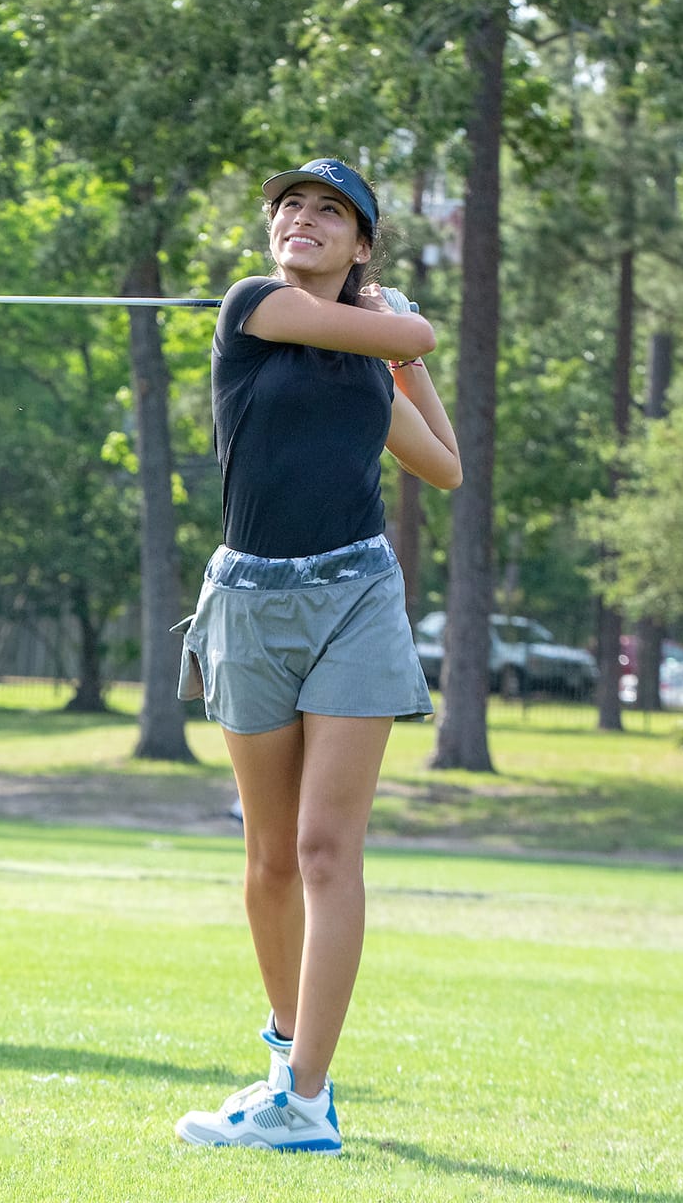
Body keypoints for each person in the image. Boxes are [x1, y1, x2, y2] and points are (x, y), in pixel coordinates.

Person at [172, 158, 461, 1152]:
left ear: (361, 242)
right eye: (290, 205)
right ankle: (286, 1059)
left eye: (330, 210)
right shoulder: (251, 306)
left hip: (356, 596)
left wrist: (402, 358)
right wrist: (398, 322)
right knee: (269, 857)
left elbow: (444, 463)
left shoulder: (368, 365)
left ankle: (302, 1098)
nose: (302, 217)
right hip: (249, 602)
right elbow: (414, 330)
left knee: (325, 849)